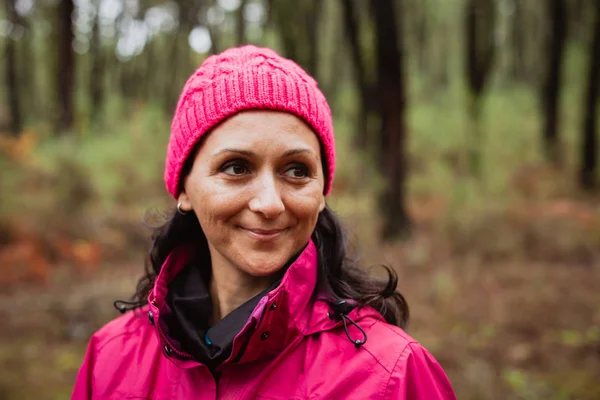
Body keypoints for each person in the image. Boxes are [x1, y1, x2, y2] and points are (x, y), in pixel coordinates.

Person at [71, 45, 456, 399]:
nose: (269, 203)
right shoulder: (111, 358)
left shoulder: (392, 375)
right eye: (236, 167)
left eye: (296, 170)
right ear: (184, 188)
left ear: (322, 192)